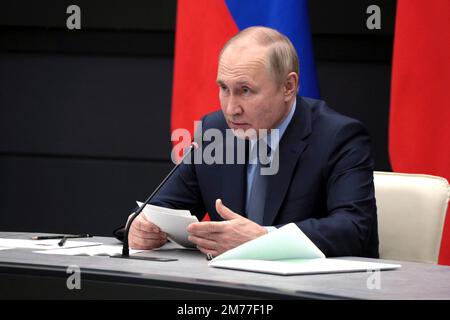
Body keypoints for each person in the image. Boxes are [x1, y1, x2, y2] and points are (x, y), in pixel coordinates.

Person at [127, 26, 379, 259]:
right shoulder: (214, 131)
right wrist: (140, 226)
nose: (231, 108)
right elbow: (162, 207)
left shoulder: (339, 137)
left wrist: (264, 238)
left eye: (245, 90)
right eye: (224, 88)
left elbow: (354, 228)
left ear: (288, 87)